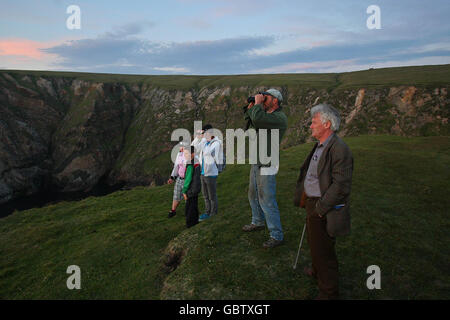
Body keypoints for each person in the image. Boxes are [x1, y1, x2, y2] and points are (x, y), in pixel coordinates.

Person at [293, 103, 353, 300]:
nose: (310, 126)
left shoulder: (339, 149)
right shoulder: (321, 145)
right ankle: (317, 272)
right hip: (313, 203)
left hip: (323, 207)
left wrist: (320, 209)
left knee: (324, 251)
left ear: (327, 124)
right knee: (315, 243)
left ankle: (328, 293)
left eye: (314, 122)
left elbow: (341, 185)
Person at [241, 89, 288, 249]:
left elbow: (259, 120)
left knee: (267, 199)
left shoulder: (278, 118)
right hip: (257, 160)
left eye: (266, 97)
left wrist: (258, 105)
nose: (263, 99)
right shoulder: (265, 115)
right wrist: (252, 106)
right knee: (253, 194)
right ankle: (258, 221)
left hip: (267, 163)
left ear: (275, 101)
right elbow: (252, 119)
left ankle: (276, 235)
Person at [182, 146, 202, 228]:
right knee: (194, 205)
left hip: (191, 189)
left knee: (189, 208)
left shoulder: (190, 164)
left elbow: (188, 179)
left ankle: (190, 224)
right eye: (184, 153)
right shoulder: (196, 162)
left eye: (187, 153)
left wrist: (184, 191)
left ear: (193, 154)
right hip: (196, 188)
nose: (185, 155)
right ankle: (195, 221)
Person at [167, 142, 187, 218]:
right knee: (176, 195)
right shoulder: (179, 154)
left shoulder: (189, 155)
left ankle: (189, 210)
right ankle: (173, 210)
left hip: (186, 179)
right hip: (179, 178)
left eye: (182, 146)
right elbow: (176, 166)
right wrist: (172, 177)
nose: (180, 148)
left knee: (187, 196)